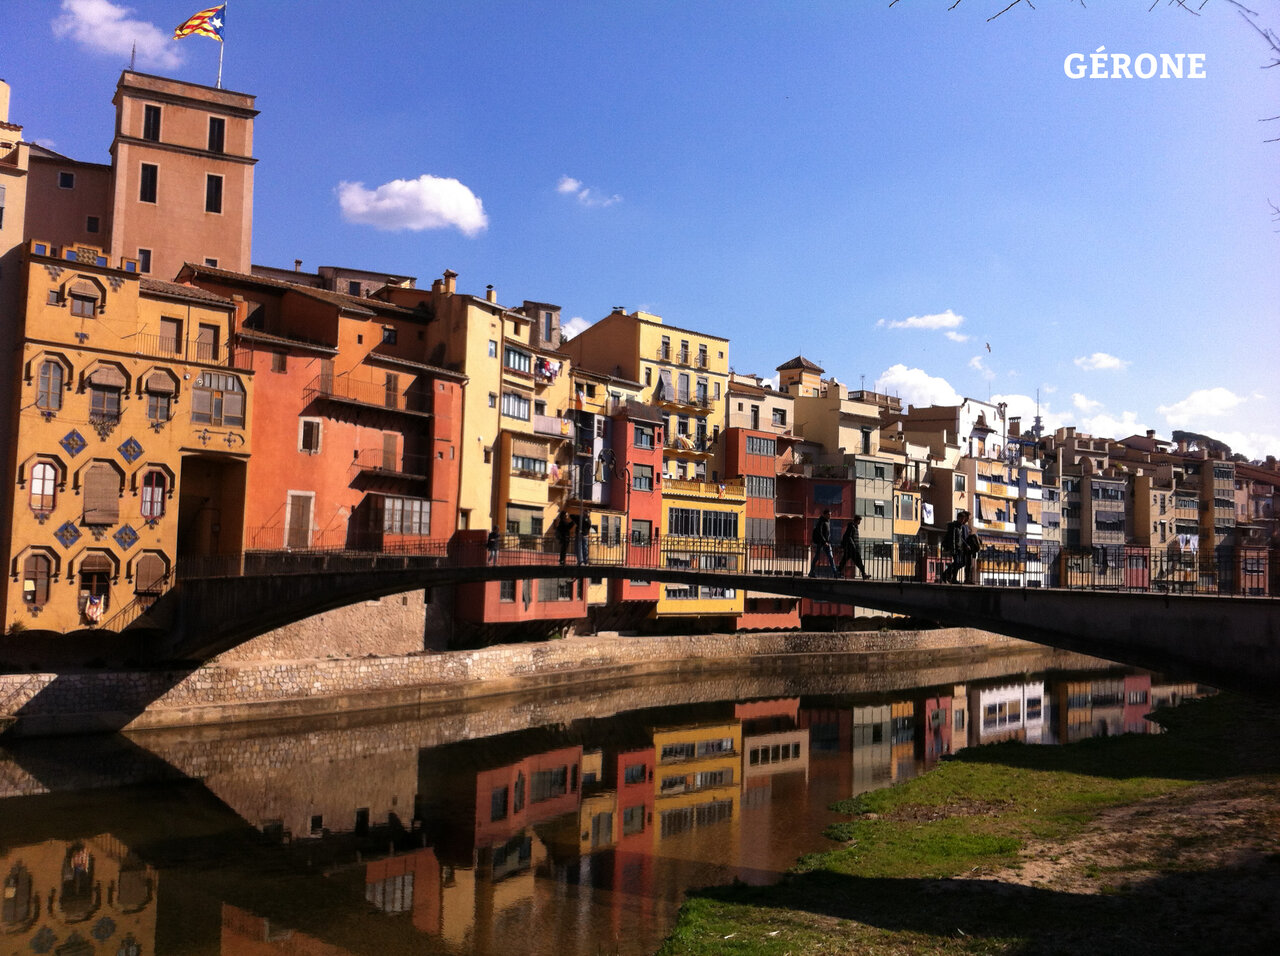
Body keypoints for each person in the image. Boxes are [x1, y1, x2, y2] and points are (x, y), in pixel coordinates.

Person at [940, 511, 972, 584]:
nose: (963, 521)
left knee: (959, 563)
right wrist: (954, 549)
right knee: (957, 563)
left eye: (964, 519)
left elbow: (960, 538)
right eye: (962, 519)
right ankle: (949, 576)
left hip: (959, 548)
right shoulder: (954, 527)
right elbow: (954, 539)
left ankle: (949, 576)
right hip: (955, 548)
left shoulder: (960, 527)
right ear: (959, 518)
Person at [808, 509, 838, 577]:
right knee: (817, 557)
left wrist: (827, 541)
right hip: (821, 542)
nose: (830, 516)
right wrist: (824, 541)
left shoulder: (828, 521)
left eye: (830, 515)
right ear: (824, 514)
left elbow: (827, 533)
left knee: (830, 557)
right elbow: (820, 532)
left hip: (826, 542)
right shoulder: (821, 521)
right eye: (828, 515)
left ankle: (835, 573)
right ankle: (811, 572)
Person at [839, 515, 870, 580]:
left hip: (852, 548)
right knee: (858, 561)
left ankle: (837, 572)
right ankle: (864, 574)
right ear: (857, 520)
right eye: (859, 520)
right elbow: (849, 537)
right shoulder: (851, 526)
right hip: (852, 548)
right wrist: (853, 545)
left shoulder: (855, 527)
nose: (860, 522)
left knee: (846, 561)